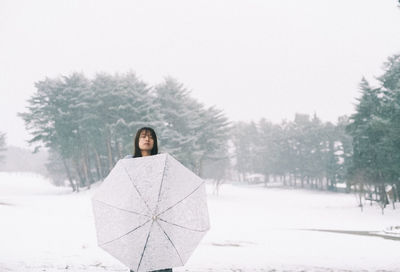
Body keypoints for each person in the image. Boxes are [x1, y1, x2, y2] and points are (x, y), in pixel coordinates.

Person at [128, 127, 173, 272]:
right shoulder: (128, 163)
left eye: (151, 137)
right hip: (138, 220)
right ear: (137, 141)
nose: (147, 139)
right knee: (139, 260)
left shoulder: (163, 162)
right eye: (143, 136)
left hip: (159, 218)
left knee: (161, 260)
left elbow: (168, 189)